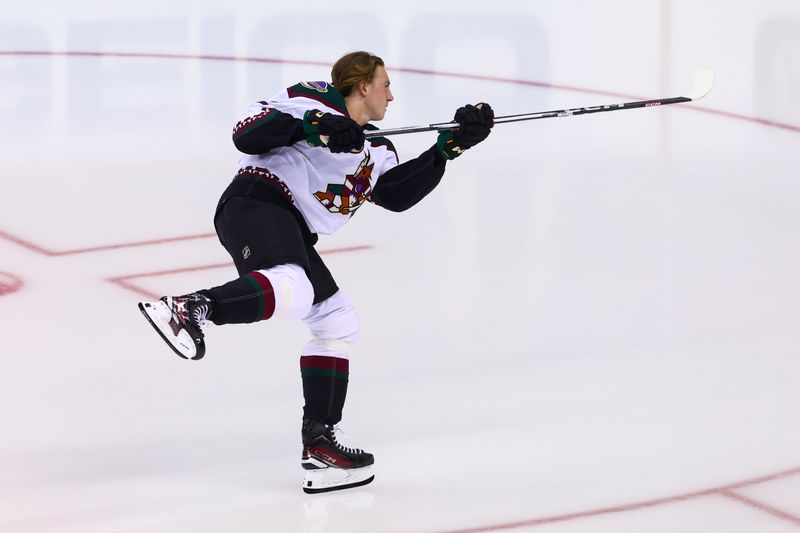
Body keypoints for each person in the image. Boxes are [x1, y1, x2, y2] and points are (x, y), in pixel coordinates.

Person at [138, 51, 494, 493]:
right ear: (362, 85)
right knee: (294, 285)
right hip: (256, 200)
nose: (391, 95)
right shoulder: (310, 98)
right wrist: (311, 127)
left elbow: (396, 194)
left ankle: (319, 444)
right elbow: (245, 134)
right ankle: (191, 308)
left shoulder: (377, 146)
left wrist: (447, 148)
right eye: (385, 84)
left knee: (336, 321)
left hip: (292, 229)